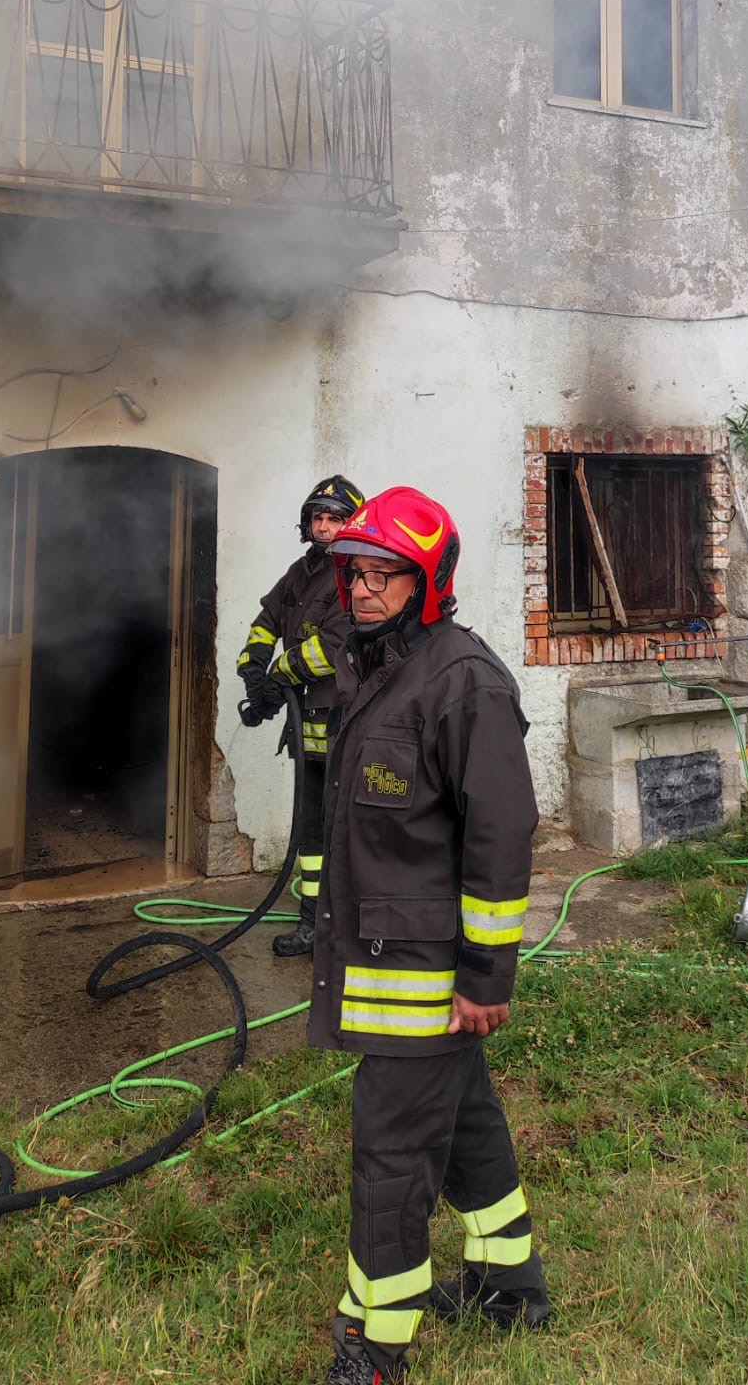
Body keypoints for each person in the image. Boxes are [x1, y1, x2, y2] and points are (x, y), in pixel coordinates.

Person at [310, 485, 551, 1385]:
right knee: (470, 1125)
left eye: (385, 576)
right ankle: (509, 1285)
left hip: (426, 978)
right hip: (385, 964)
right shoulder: (376, 664)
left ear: (428, 581)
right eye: (356, 573)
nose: (365, 590)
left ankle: (374, 1348)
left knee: (391, 1160)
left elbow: (500, 838)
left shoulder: (463, 682)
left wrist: (486, 978)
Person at [236, 475, 364, 957]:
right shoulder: (299, 572)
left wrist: (278, 678)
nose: (325, 526)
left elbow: (334, 645)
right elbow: (267, 620)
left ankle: (352, 923)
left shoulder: (359, 574)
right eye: (318, 517)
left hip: (344, 726)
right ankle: (313, 925)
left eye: (335, 517)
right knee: (310, 831)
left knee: (347, 827)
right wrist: (252, 667)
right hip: (306, 730)